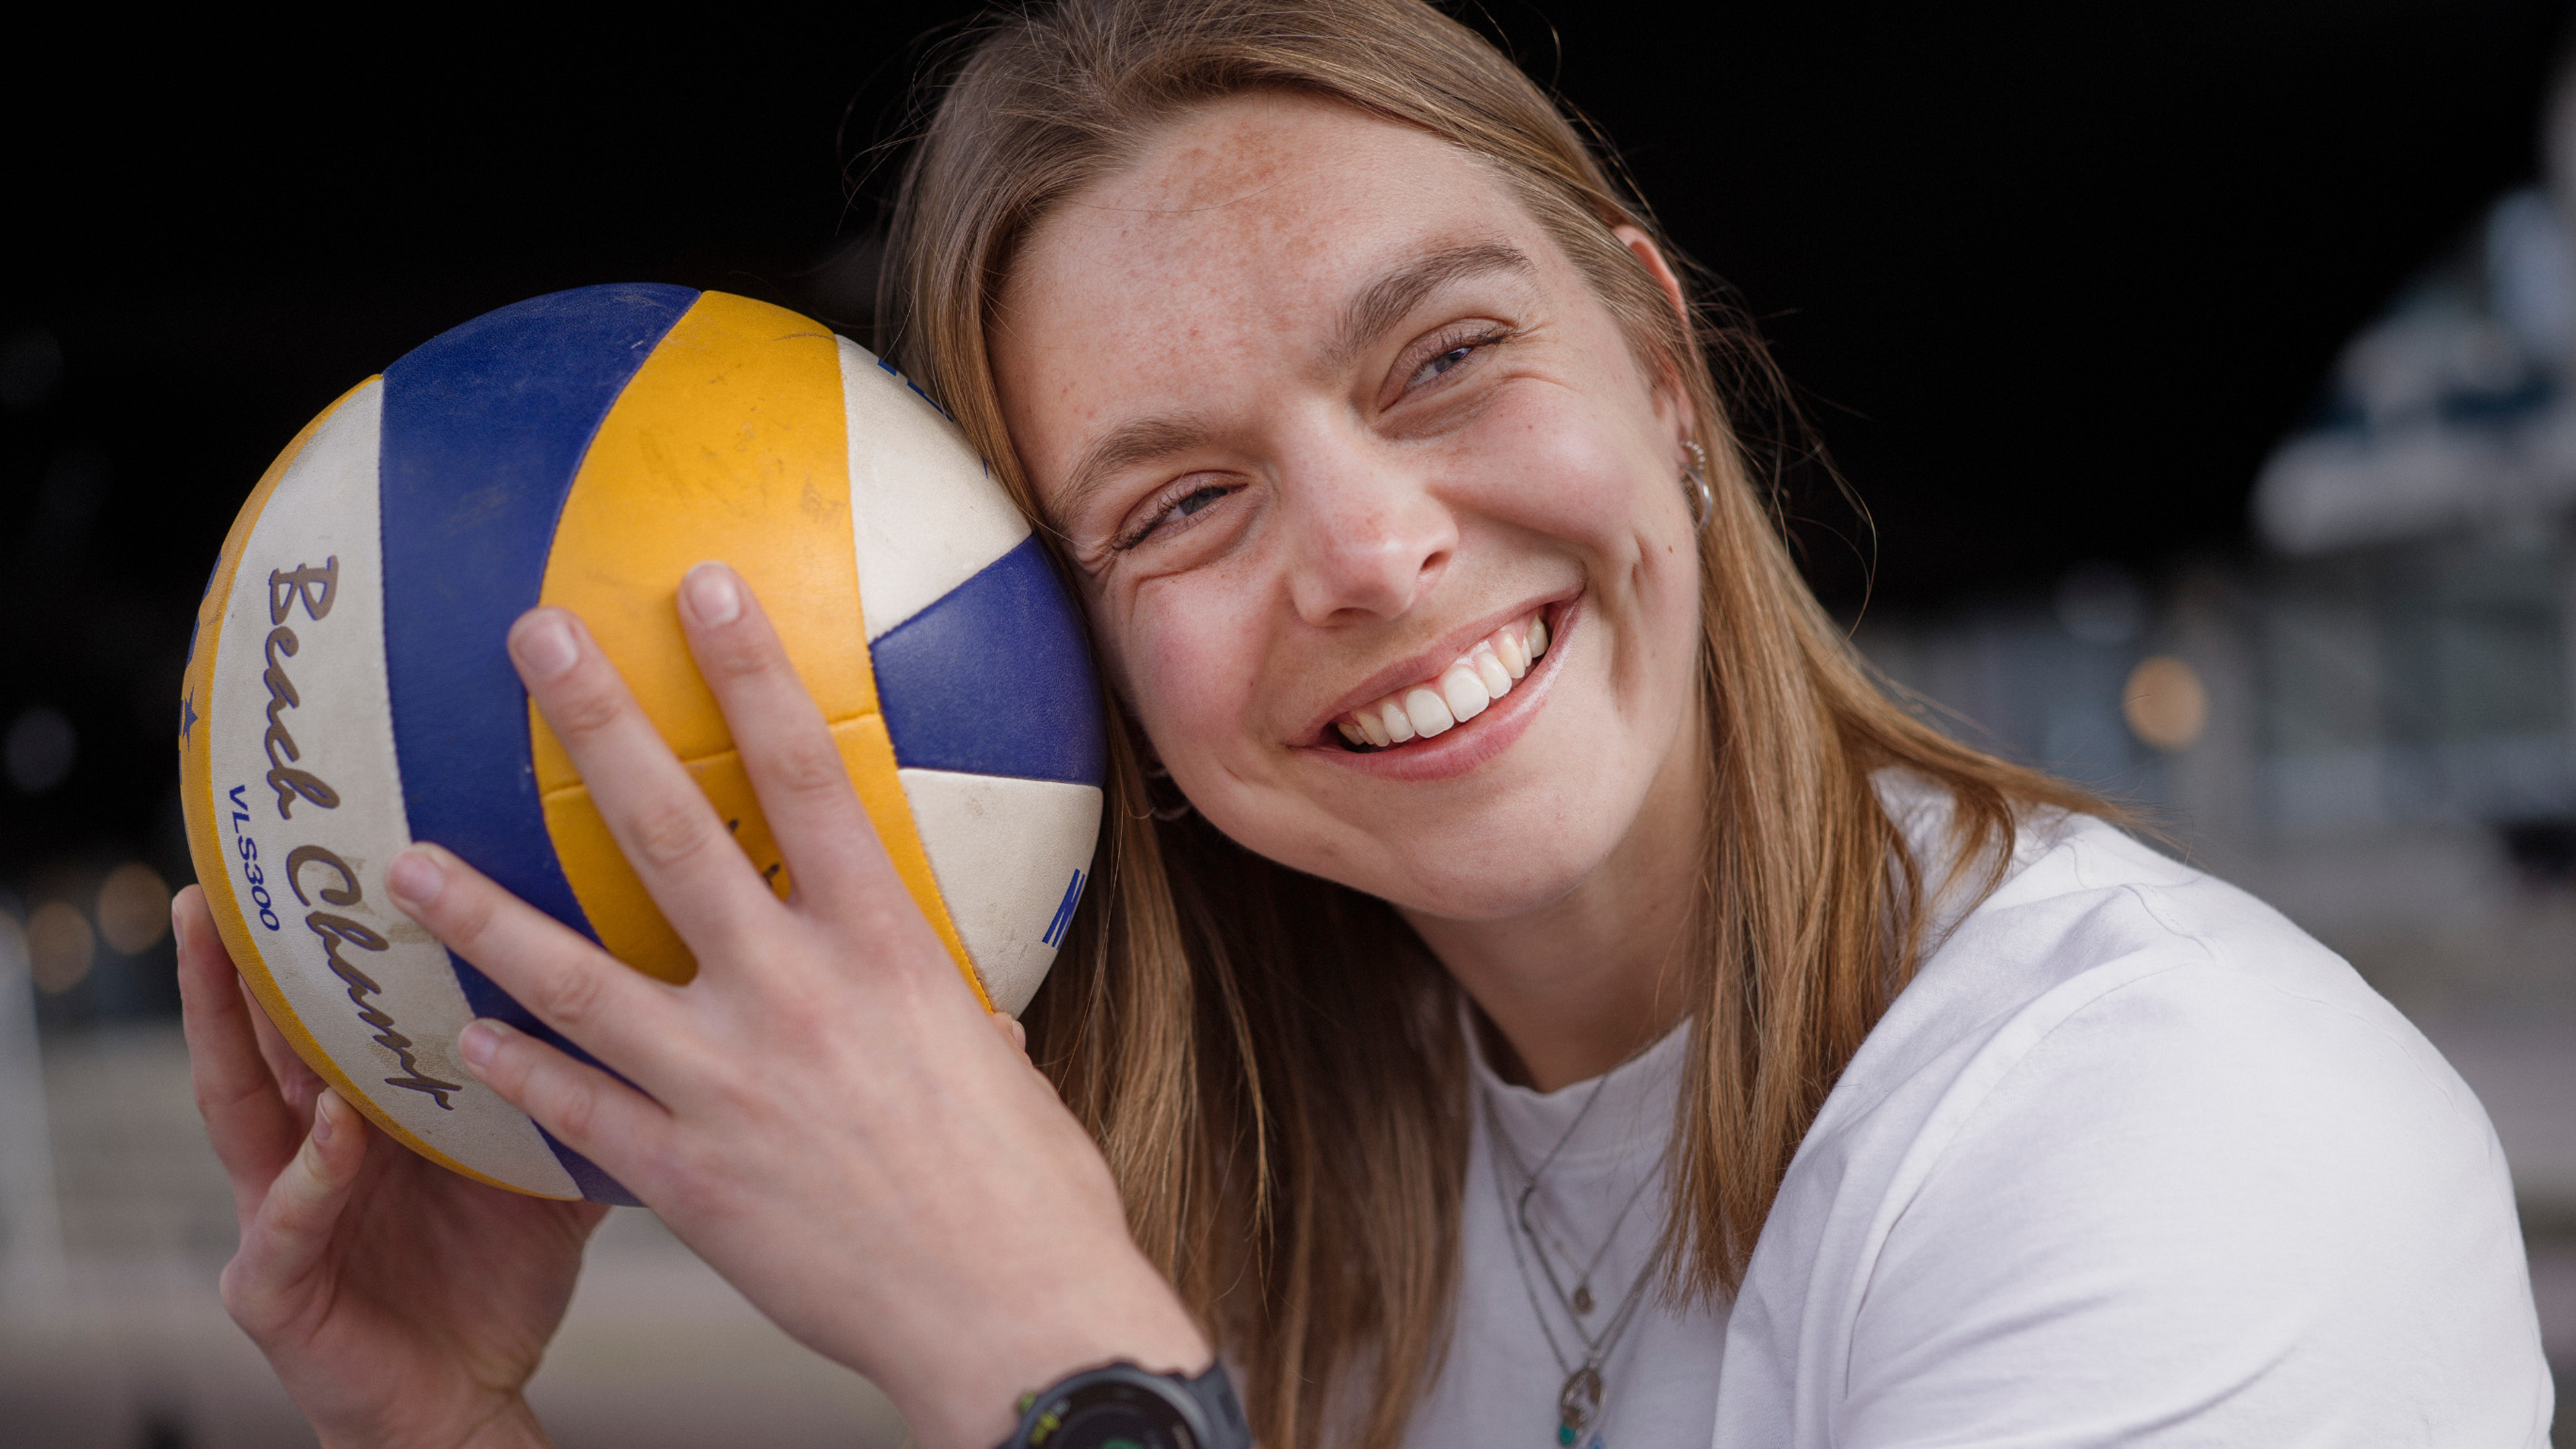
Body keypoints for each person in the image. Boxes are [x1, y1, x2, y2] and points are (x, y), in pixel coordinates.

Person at [170, 1, 2553, 1445]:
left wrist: (1065, 1369)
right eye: (1181, 503)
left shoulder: (2183, 1134)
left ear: (1659, 363)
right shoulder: (1295, 1173)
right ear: (1085, 675)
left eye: (1445, 357)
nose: (1372, 550)